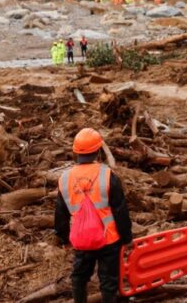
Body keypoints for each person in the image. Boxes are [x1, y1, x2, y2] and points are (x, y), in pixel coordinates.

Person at [55, 128, 132, 303]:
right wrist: (127, 238)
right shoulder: (107, 175)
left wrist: (64, 239)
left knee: (79, 278)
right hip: (109, 240)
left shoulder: (65, 179)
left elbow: (60, 214)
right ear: (98, 151)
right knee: (108, 282)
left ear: (76, 152)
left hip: (82, 241)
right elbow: (120, 211)